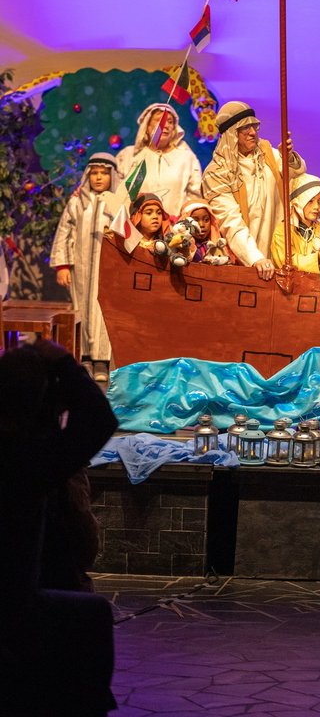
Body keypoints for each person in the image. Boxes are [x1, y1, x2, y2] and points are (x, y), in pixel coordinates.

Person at [0, 341, 118, 715]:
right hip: (12, 607)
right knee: (92, 615)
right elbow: (99, 420)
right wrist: (65, 364)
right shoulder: (24, 461)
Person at [201, 101, 306, 280]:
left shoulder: (266, 153)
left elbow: (297, 174)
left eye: (254, 126)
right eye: (245, 128)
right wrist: (255, 258)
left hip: (278, 251)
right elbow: (230, 221)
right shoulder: (217, 172)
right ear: (232, 133)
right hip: (245, 260)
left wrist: (288, 157)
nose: (253, 132)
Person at [49, 152, 121, 384]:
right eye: (94, 173)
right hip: (80, 269)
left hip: (107, 270)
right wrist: (63, 265)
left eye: (104, 173)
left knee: (102, 312)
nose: (98, 178)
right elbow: (64, 232)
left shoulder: (118, 203)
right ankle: (84, 357)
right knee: (81, 310)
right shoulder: (77, 202)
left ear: (112, 176)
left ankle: (101, 360)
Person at [116, 102, 202, 218]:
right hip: (134, 226)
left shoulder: (187, 158)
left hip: (176, 226)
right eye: (159, 120)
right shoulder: (128, 156)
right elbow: (118, 195)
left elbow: (195, 197)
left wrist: (183, 222)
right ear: (147, 127)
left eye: (170, 122)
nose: (165, 125)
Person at [271, 174, 320, 273]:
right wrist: (317, 258)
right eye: (310, 201)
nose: (317, 206)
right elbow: (285, 262)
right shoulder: (283, 231)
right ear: (298, 202)